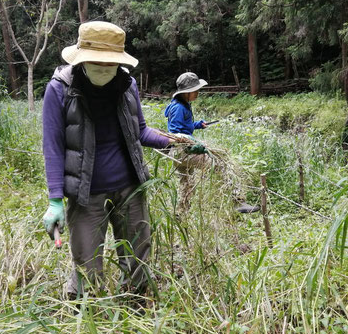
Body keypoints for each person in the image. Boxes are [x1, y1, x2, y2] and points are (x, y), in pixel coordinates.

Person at [42, 21, 172, 299]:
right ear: (81, 60)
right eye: (96, 65)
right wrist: (54, 199)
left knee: (138, 260)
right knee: (86, 263)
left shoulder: (128, 84)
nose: (103, 70)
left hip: (130, 189)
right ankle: (85, 320)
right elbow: (52, 146)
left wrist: (175, 141)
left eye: (109, 65)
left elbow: (140, 131)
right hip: (86, 194)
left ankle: (134, 308)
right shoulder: (59, 89)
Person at [164, 72, 259, 214]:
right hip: (183, 150)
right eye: (195, 90)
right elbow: (176, 133)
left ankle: (180, 215)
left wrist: (197, 125)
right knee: (221, 162)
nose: (197, 93)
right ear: (187, 92)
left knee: (187, 185)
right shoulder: (178, 108)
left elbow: (184, 126)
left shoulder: (181, 104)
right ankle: (238, 201)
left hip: (179, 152)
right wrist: (194, 144)